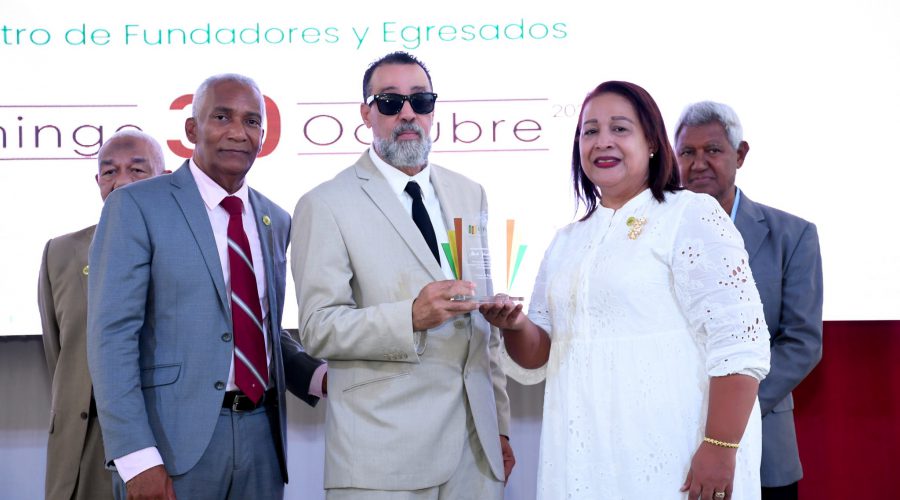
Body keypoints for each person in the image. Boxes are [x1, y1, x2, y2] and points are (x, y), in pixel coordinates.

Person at [480, 81, 771, 500]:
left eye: (619, 128)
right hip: (584, 453)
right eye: (590, 131)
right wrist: (514, 324)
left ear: (651, 142)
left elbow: (739, 343)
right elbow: (540, 354)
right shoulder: (566, 241)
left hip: (673, 451)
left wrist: (720, 447)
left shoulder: (690, 214)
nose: (603, 141)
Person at [87, 74, 325, 500]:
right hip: (171, 447)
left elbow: (257, 328)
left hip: (263, 442)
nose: (238, 132)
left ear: (264, 137)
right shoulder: (137, 205)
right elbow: (111, 339)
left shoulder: (275, 219)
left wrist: (320, 376)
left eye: (252, 121)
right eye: (221, 117)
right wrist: (136, 457)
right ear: (192, 129)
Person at [291, 51, 515, 499]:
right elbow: (317, 328)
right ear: (366, 114)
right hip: (382, 458)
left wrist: (500, 427)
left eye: (421, 100)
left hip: (475, 455)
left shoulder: (469, 193)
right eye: (391, 102)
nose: (408, 113)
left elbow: (482, 333)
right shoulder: (325, 203)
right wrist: (409, 317)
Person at [675, 101, 823, 500]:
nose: (699, 163)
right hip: (670, 434)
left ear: (740, 155)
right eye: (687, 152)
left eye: (713, 150)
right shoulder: (654, 233)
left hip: (765, 443)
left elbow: (802, 342)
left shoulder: (793, 235)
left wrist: (731, 408)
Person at [39, 130, 168, 500]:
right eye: (110, 172)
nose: (121, 182)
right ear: (98, 181)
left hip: (161, 442)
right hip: (84, 441)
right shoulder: (60, 253)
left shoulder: (189, 252)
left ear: (165, 178)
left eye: (137, 170)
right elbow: (59, 353)